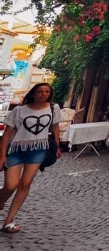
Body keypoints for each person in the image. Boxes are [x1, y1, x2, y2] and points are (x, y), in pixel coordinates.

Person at [0, 83, 62, 233]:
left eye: (47, 91)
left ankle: (9, 221)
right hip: (16, 149)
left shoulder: (53, 108)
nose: (44, 94)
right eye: (40, 91)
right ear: (33, 93)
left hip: (38, 150)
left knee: (25, 184)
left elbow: (55, 127)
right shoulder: (19, 111)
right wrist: (2, 156)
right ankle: (1, 201)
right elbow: (7, 133)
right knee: (11, 184)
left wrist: (58, 146)